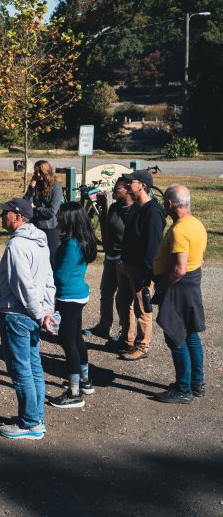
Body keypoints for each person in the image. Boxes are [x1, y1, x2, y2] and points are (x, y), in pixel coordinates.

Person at [0, 198, 56, 439]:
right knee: (34, 367)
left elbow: (22, 284)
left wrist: (40, 313)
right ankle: (36, 417)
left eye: (5, 213)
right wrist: (46, 310)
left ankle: (29, 423)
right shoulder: (40, 241)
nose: (1, 217)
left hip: (18, 314)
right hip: (33, 313)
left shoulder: (17, 246)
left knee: (21, 371)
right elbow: (49, 279)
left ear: (18, 217)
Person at [152, 185, 207, 404]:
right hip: (192, 285)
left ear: (169, 204)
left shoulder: (179, 230)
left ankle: (184, 388)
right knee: (191, 335)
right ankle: (197, 383)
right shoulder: (197, 224)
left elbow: (179, 269)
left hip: (178, 288)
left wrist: (161, 285)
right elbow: (200, 259)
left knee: (176, 337)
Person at [48, 202, 99, 409]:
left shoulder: (70, 246)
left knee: (67, 341)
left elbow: (61, 276)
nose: (58, 220)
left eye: (61, 217)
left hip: (68, 297)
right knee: (76, 337)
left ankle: (74, 392)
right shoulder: (83, 240)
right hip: (78, 294)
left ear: (69, 219)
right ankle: (85, 380)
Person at [115, 169, 166, 361]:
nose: (127, 185)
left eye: (131, 182)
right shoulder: (137, 207)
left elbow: (153, 246)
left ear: (142, 186)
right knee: (122, 302)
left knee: (142, 309)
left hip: (140, 270)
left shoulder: (153, 212)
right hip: (127, 265)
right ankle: (127, 339)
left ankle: (142, 346)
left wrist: (147, 273)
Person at [85, 177, 133, 339]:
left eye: (117, 187)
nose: (114, 189)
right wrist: (105, 207)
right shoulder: (114, 207)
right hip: (111, 257)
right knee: (106, 292)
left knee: (124, 299)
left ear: (127, 189)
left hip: (124, 260)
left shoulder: (134, 210)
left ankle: (125, 333)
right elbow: (106, 227)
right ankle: (103, 326)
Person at [24, 160, 63, 265]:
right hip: (35, 226)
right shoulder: (36, 185)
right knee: (35, 259)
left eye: (40, 172)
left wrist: (35, 209)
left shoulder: (56, 187)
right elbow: (26, 204)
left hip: (49, 227)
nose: (37, 175)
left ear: (47, 172)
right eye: (35, 172)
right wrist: (31, 187)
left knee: (52, 260)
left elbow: (52, 211)